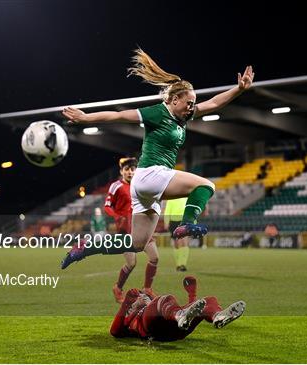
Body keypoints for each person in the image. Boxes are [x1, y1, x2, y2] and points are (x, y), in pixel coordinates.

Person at [61, 48, 254, 269]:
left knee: (137, 243)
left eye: (193, 103)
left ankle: (88, 246)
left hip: (146, 184)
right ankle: (187, 225)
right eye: (188, 102)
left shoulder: (182, 116)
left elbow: (213, 104)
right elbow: (120, 116)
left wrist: (238, 89)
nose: (191, 107)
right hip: (151, 174)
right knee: (206, 185)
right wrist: (86, 118)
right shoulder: (158, 112)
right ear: (173, 99)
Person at [109, 276, 246, 342]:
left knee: (208, 300)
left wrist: (192, 294)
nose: (142, 296)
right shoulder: (130, 314)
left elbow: (193, 310)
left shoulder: (156, 305)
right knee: (166, 300)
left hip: (177, 329)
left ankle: (218, 316)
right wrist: (126, 303)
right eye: (140, 295)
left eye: (143, 295)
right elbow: (114, 332)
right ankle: (180, 316)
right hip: (152, 330)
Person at [105, 157, 159, 302]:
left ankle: (147, 289)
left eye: (132, 169)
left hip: (143, 229)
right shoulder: (116, 186)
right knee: (131, 263)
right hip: (125, 232)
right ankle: (118, 288)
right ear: (121, 171)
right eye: (127, 169)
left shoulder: (140, 186)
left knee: (154, 257)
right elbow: (107, 206)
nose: (130, 172)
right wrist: (117, 217)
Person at [163, 197, 189, 271]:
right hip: (173, 222)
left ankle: (182, 264)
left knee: (184, 242)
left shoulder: (187, 198)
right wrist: (166, 222)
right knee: (177, 244)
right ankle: (178, 264)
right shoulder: (171, 199)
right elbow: (167, 211)